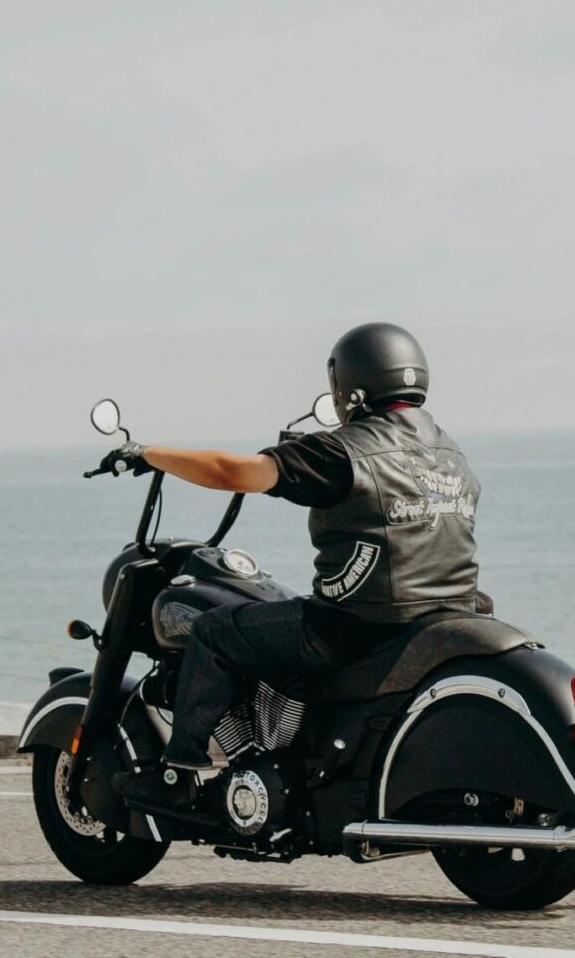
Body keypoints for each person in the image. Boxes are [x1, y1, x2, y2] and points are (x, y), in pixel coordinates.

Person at [109, 322, 482, 814]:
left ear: (349, 384)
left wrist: (149, 452)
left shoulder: (340, 449)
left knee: (214, 631)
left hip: (354, 627)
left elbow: (233, 473)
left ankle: (180, 775)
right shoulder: (449, 452)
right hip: (444, 616)